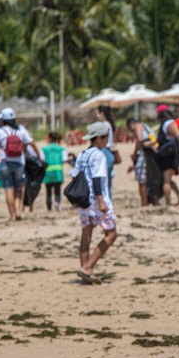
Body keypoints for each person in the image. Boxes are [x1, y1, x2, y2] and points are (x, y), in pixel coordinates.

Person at [72, 122, 118, 284]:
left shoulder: (83, 154)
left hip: (83, 200)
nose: (107, 142)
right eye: (106, 138)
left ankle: (86, 273)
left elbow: (74, 176)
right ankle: (88, 267)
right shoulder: (99, 155)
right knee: (112, 234)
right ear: (99, 138)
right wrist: (101, 201)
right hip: (97, 201)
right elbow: (97, 179)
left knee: (86, 234)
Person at [0, 108, 40, 222]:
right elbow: (31, 143)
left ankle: (12, 215)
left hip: (4, 163)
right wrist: (37, 155)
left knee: (9, 188)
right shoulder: (21, 130)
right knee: (19, 188)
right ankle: (18, 211)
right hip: (19, 162)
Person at [127, 118, 157, 206]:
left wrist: (134, 154)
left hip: (144, 155)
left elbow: (139, 140)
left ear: (131, 124)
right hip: (151, 155)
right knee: (149, 180)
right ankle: (152, 201)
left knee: (142, 181)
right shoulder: (146, 127)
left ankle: (144, 203)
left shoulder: (137, 126)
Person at [96, 106, 121, 195]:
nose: (97, 115)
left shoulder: (104, 125)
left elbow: (99, 140)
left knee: (104, 182)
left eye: (97, 113)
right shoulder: (109, 124)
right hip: (109, 153)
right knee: (108, 183)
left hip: (104, 152)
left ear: (102, 113)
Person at [42, 132, 67, 211]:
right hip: (58, 172)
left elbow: (42, 159)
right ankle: (57, 203)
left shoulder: (45, 149)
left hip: (48, 172)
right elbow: (64, 159)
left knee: (48, 191)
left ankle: (49, 207)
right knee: (57, 190)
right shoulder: (61, 148)